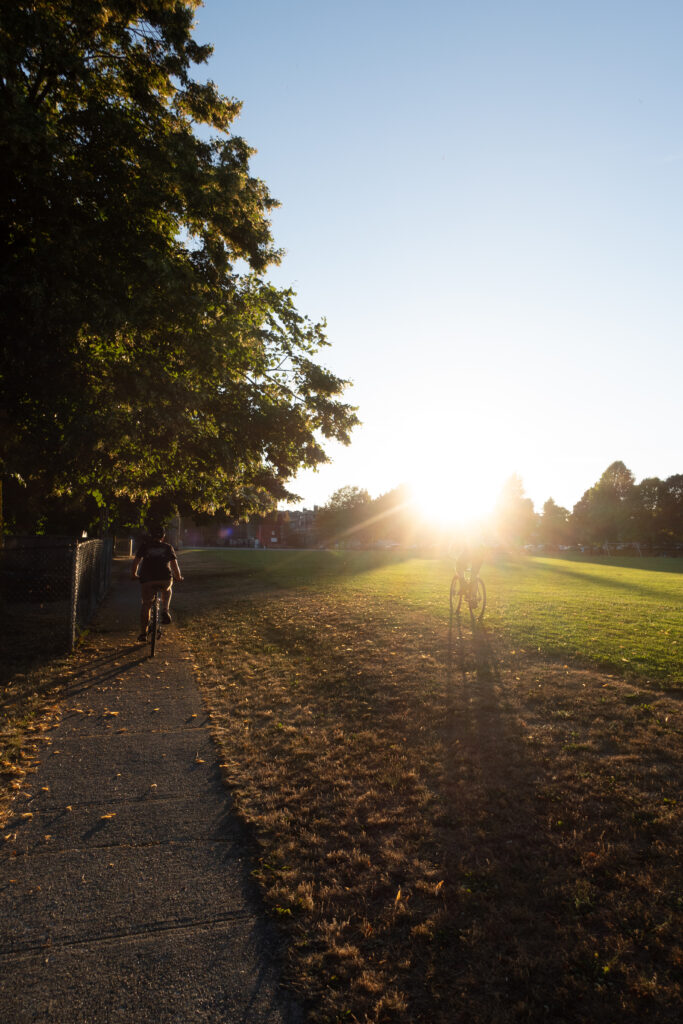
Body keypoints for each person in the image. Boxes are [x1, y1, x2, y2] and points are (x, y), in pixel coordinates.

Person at [131, 526, 183, 642]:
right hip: (164, 578)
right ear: (163, 536)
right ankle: (165, 609)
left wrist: (133, 574)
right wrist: (178, 577)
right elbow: (174, 565)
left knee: (146, 604)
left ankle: (143, 634)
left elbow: (136, 562)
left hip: (148, 579)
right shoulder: (168, 547)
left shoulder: (144, 546)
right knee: (168, 588)